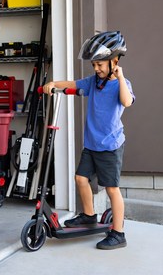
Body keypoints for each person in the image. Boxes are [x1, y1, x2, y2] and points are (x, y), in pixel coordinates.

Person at [43, 31, 134, 250]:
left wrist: (120, 78)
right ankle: (89, 215)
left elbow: (127, 102)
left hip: (110, 146)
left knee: (111, 189)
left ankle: (118, 233)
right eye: (94, 65)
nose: (96, 69)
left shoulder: (121, 84)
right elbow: (74, 83)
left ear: (115, 61)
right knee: (80, 178)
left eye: (100, 65)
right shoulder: (94, 82)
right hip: (91, 144)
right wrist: (55, 83)